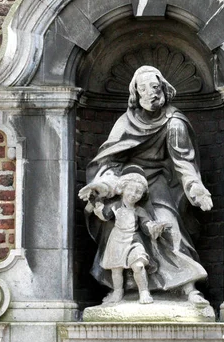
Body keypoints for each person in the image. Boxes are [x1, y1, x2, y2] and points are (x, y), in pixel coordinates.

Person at [79, 65, 213, 305]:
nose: (150, 93)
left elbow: (184, 164)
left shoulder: (174, 123)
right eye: (144, 88)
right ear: (136, 93)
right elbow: (110, 162)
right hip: (127, 181)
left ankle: (188, 286)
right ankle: (123, 285)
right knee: (116, 223)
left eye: (155, 87)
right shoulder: (125, 122)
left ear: (163, 89)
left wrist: (196, 189)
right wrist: (102, 187)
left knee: (168, 225)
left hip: (160, 182)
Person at [88, 171, 168, 305]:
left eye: (138, 192)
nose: (133, 194)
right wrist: (97, 203)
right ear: (123, 189)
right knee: (116, 269)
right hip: (117, 240)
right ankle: (118, 291)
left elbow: (146, 224)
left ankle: (144, 291)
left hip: (133, 241)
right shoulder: (115, 206)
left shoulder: (139, 210)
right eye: (130, 189)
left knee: (138, 265)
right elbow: (104, 215)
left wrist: (153, 227)